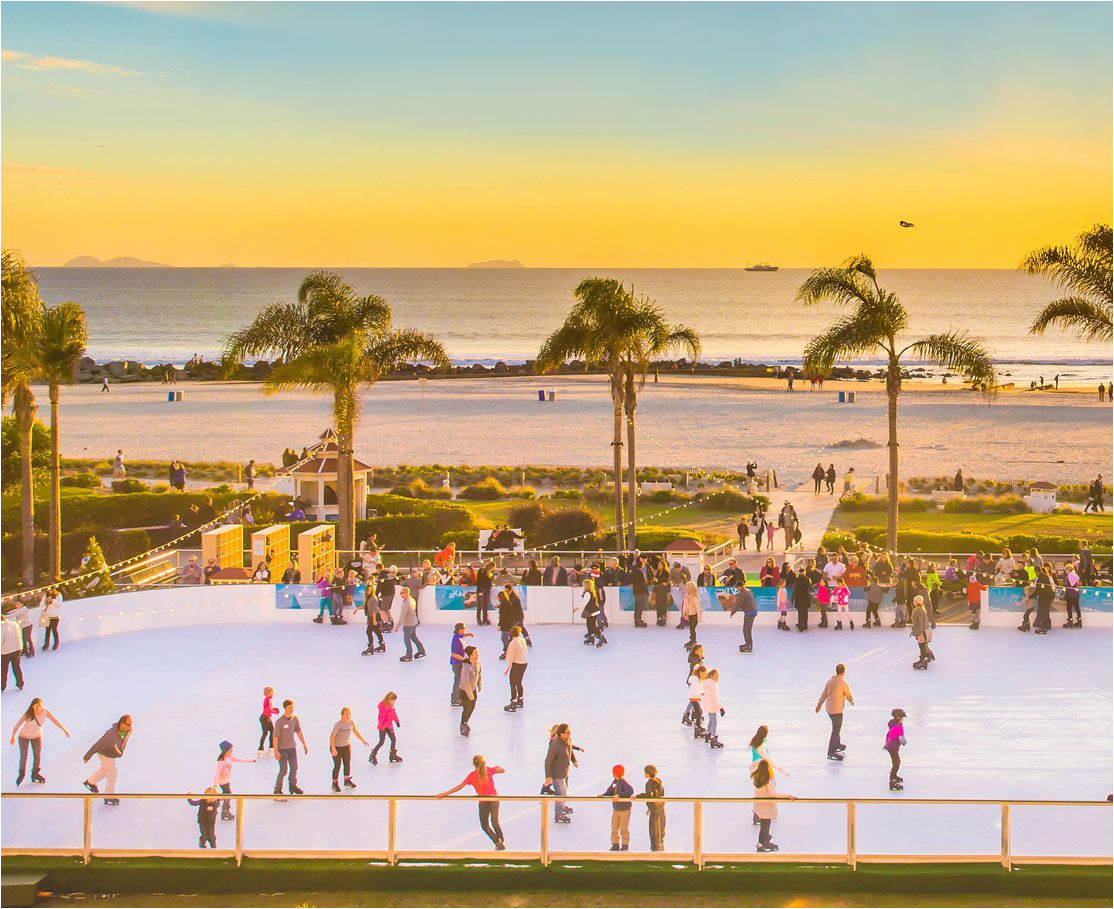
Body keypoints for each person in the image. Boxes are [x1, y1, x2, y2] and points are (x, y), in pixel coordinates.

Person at [436, 754, 506, 850]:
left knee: (485, 825)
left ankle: (498, 843)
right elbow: (503, 770)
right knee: (495, 822)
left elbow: (459, 787)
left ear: (474, 764)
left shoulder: (472, 775)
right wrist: (497, 767)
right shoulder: (488, 770)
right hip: (494, 800)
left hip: (484, 802)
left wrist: (445, 793)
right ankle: (501, 841)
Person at [11, 697, 70, 785]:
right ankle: (22, 773)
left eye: (40, 705)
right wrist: (13, 737)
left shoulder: (45, 711)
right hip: (24, 737)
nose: (39, 707)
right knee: (24, 756)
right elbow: (17, 725)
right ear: (33, 706)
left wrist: (64, 730)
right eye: (37, 705)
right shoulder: (28, 714)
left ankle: (35, 773)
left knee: (37, 755)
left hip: (37, 737)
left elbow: (55, 721)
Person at [82, 715, 132, 805]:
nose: (131, 726)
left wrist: (120, 751)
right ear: (122, 723)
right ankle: (108, 796)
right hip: (104, 753)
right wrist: (87, 756)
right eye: (128, 724)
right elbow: (99, 743)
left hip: (111, 753)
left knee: (106, 770)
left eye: (131, 723)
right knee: (112, 772)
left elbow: (123, 742)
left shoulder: (128, 730)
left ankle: (90, 782)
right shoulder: (111, 733)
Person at [752, 758, 796, 852]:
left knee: (764, 825)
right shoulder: (767, 779)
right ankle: (763, 844)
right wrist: (788, 796)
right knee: (765, 825)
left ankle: (761, 843)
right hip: (766, 806)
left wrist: (762, 760)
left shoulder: (756, 776)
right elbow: (773, 794)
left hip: (759, 805)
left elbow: (751, 766)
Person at [815, 664, 854, 761]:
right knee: (836, 730)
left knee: (836, 726)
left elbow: (824, 694)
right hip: (837, 710)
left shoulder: (829, 682)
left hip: (829, 709)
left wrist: (819, 705)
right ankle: (831, 751)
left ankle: (837, 744)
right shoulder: (843, 684)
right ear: (844, 672)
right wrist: (852, 701)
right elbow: (849, 696)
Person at [272, 700, 308, 797]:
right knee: (283, 770)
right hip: (282, 750)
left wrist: (304, 744)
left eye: (292, 708)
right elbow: (275, 737)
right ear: (285, 708)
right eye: (289, 708)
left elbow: (299, 732)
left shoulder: (295, 719)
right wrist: (275, 751)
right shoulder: (279, 722)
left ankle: (292, 785)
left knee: (294, 767)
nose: (291, 710)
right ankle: (277, 788)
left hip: (292, 748)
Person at [329, 706, 368, 791]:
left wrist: (363, 740)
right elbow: (331, 737)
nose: (349, 715)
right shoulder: (338, 724)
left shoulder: (351, 722)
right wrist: (333, 748)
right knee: (337, 765)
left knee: (347, 763)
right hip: (336, 747)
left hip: (346, 746)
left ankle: (347, 780)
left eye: (350, 714)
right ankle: (334, 783)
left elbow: (355, 731)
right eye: (347, 714)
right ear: (342, 715)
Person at [214, 740, 255, 819]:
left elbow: (238, 760)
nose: (232, 751)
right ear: (226, 750)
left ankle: (222, 807)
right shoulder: (222, 761)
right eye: (230, 750)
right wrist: (215, 784)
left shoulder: (229, 757)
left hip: (227, 780)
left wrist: (250, 761)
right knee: (228, 794)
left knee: (227, 795)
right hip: (222, 781)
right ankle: (223, 808)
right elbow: (217, 772)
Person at [544, 723, 576, 823]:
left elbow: (571, 750)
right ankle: (559, 815)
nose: (569, 734)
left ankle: (562, 806)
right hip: (557, 775)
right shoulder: (555, 745)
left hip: (565, 772)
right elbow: (548, 761)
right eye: (567, 733)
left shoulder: (568, 740)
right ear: (561, 734)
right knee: (561, 794)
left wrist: (574, 760)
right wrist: (548, 776)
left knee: (564, 793)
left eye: (570, 732)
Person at [601, 764, 635, 851]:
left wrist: (619, 795)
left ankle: (625, 845)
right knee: (614, 827)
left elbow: (630, 791)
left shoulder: (623, 782)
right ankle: (615, 844)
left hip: (625, 809)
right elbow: (610, 790)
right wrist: (604, 795)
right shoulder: (615, 781)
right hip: (616, 809)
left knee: (624, 828)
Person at [635, 765, 666, 851]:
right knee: (661, 826)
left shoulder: (650, 783)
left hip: (655, 808)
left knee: (654, 828)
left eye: (645, 772)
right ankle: (660, 844)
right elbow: (658, 795)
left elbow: (649, 795)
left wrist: (637, 796)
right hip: (661, 806)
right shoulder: (658, 782)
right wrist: (649, 807)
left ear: (648, 774)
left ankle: (655, 847)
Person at [369, 691, 403, 765]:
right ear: (389, 699)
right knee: (381, 741)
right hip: (383, 727)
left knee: (393, 739)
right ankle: (372, 755)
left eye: (394, 701)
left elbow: (394, 715)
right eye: (393, 700)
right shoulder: (383, 706)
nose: (394, 702)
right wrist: (384, 726)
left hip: (389, 726)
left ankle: (392, 755)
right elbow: (381, 718)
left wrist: (397, 721)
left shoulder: (391, 706)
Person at [503, 626, 528, 712]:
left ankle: (513, 702)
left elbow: (511, 657)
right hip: (524, 663)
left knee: (513, 683)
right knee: (519, 682)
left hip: (517, 664)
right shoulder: (522, 640)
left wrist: (508, 668)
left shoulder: (513, 643)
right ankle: (520, 700)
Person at [458, 646, 482, 737]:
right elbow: (464, 681)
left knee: (472, 708)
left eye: (477, 652)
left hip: (473, 689)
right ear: (470, 654)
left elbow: (479, 674)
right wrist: (469, 694)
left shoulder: (478, 663)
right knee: (467, 708)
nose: (477, 654)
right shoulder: (466, 667)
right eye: (475, 652)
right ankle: (463, 723)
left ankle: (466, 721)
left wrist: (479, 685)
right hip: (465, 691)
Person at [397, 587, 426, 662]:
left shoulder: (407, 602)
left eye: (402, 593)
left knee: (407, 639)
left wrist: (397, 626)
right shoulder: (412, 599)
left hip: (408, 623)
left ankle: (409, 654)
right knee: (413, 637)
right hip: (413, 622)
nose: (400, 595)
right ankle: (421, 650)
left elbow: (403, 615)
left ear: (406, 593)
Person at [449, 622, 473, 707]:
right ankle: (455, 699)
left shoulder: (459, 636)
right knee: (458, 681)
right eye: (462, 629)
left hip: (460, 664)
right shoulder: (456, 640)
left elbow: (462, 635)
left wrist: (469, 634)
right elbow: (454, 654)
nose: (464, 631)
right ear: (458, 630)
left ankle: (458, 697)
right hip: (457, 664)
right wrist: (465, 660)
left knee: (461, 681)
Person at [701, 668, 725, 749]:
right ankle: (713, 738)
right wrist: (721, 708)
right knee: (714, 722)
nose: (717, 678)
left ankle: (708, 734)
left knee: (711, 721)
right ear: (711, 676)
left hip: (708, 705)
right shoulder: (713, 686)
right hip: (712, 705)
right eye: (715, 676)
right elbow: (715, 699)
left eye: (718, 676)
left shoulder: (707, 684)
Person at [1, 610, 25, 692]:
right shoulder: (14, 624)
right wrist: (21, 646)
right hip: (17, 649)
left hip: (6, 652)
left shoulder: (1, 628)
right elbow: (20, 634)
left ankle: (2, 686)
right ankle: (20, 683)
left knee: (4, 669)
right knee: (17, 667)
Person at [885, 709, 907, 791]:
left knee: (896, 762)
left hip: (890, 745)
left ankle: (894, 776)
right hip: (892, 747)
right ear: (898, 718)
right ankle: (892, 780)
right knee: (896, 763)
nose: (903, 719)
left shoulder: (892, 723)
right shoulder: (898, 726)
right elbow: (901, 738)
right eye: (902, 717)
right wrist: (904, 742)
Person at [581, 578, 606, 648]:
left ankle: (601, 638)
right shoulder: (592, 591)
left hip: (592, 611)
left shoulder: (588, 593)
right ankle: (591, 638)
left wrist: (576, 608)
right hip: (592, 611)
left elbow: (584, 603)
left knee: (591, 626)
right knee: (589, 625)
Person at [910, 596, 934, 669]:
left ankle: (922, 661)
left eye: (914, 601)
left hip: (922, 631)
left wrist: (919, 634)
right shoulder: (921, 609)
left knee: (922, 647)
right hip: (924, 630)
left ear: (917, 602)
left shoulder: (918, 610)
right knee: (923, 646)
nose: (913, 602)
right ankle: (929, 656)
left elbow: (920, 623)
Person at [683, 665, 707, 736]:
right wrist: (700, 695)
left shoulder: (697, 679)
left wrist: (701, 693)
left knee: (699, 712)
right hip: (694, 697)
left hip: (694, 697)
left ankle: (698, 727)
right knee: (699, 713)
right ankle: (697, 729)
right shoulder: (696, 679)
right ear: (700, 672)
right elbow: (694, 690)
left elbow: (697, 689)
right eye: (704, 673)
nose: (704, 675)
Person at [258, 686, 279, 755]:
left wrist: (274, 709)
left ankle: (271, 748)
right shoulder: (267, 699)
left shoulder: (268, 700)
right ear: (268, 693)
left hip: (267, 718)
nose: (273, 694)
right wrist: (274, 711)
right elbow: (268, 710)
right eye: (272, 692)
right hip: (265, 718)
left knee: (272, 731)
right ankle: (260, 750)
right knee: (265, 733)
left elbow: (270, 708)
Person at [681, 580, 700, 649]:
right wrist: (684, 613)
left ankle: (694, 641)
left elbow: (698, 607)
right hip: (689, 615)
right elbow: (685, 606)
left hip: (695, 615)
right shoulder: (687, 596)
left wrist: (699, 617)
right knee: (691, 628)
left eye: (687, 587)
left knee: (692, 628)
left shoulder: (695, 596)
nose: (686, 588)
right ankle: (692, 639)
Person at [475, 560, 495, 625]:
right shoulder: (482, 571)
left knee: (485, 605)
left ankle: (485, 618)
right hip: (481, 590)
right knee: (480, 605)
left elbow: (490, 582)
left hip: (487, 590)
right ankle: (478, 619)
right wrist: (480, 590)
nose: (492, 568)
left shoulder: (491, 573)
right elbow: (479, 581)